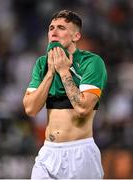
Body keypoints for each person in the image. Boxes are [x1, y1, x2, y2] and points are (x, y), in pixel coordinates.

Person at [23, 9, 107, 179]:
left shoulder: (91, 62)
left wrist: (63, 71)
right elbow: (30, 109)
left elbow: (82, 109)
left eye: (61, 27)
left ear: (76, 36)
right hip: (48, 152)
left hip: (80, 153)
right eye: (51, 27)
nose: (54, 31)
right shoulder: (42, 64)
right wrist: (51, 73)